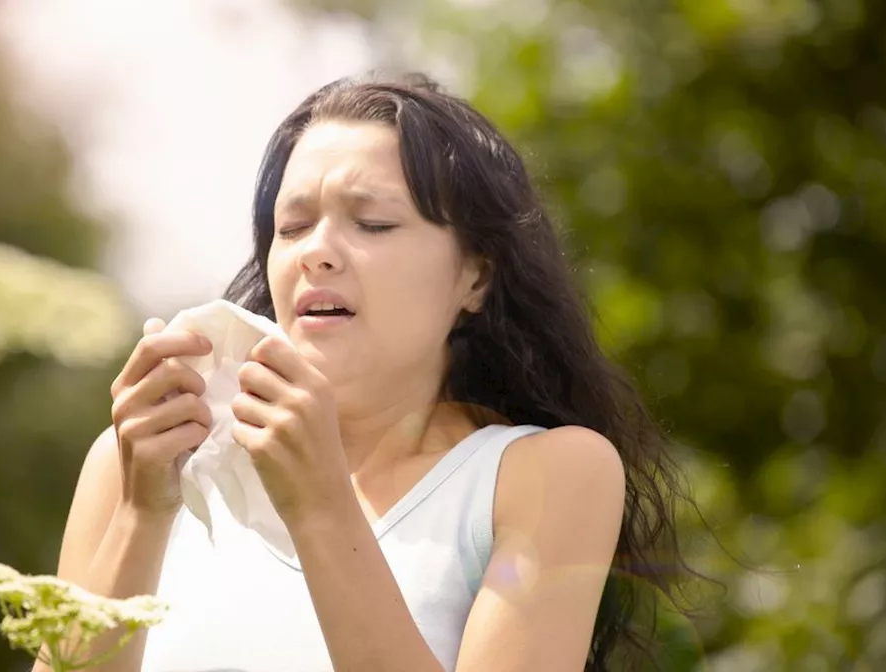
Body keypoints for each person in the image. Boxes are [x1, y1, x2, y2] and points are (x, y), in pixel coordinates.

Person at [42, 72, 688, 672]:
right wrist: (141, 512)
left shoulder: (547, 475)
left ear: (476, 276)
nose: (316, 252)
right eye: (291, 228)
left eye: (373, 223)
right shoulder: (138, 461)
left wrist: (322, 508)